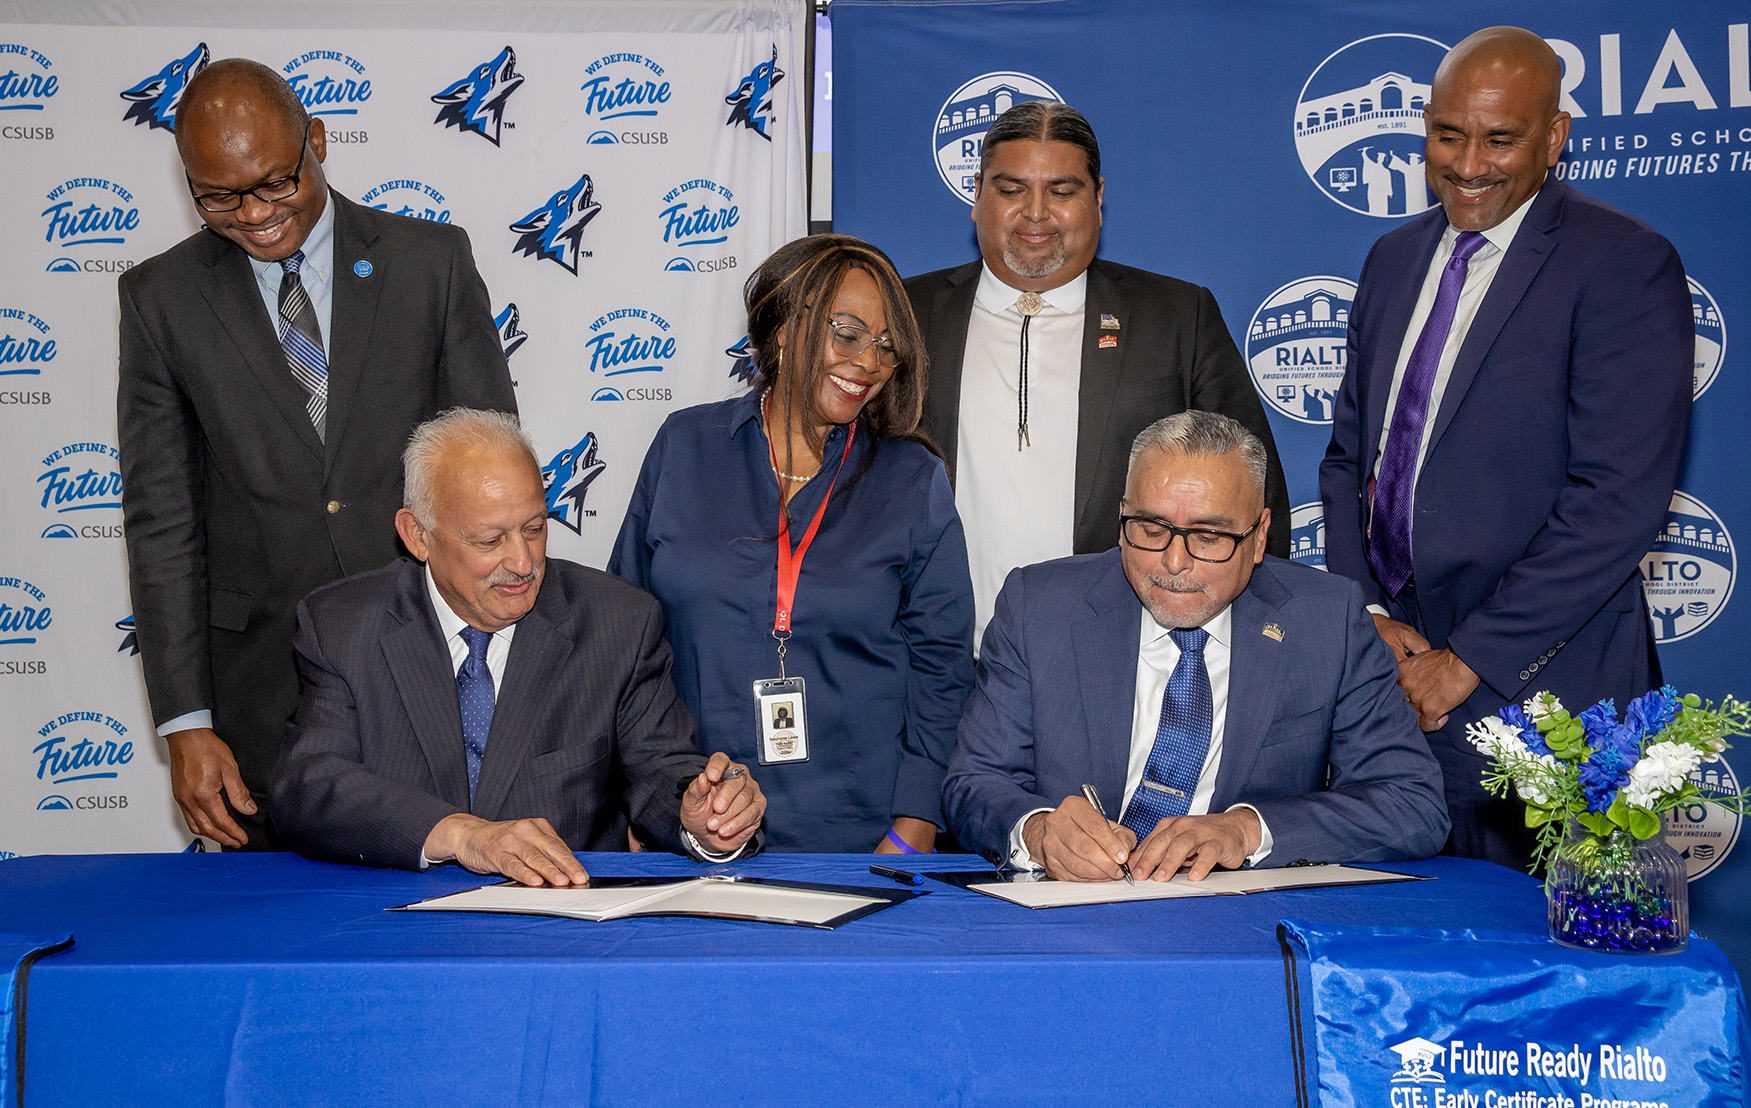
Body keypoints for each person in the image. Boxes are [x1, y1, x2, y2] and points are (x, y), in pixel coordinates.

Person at [118, 58, 515, 851]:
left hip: (427, 671)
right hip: (257, 700)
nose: (254, 214)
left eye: (273, 183)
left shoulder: (429, 263)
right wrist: (186, 724)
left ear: (319, 143)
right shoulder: (159, 298)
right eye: (219, 197)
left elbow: (488, 476)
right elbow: (162, 518)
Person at [1319, 27, 1692, 869]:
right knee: (1401, 961)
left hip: (1553, 690)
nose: (1468, 163)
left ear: (1554, 137)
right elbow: (1350, 458)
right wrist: (1366, 617)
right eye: (1448, 135)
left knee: (1563, 968)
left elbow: (1617, 499)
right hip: (1392, 687)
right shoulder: (1389, 259)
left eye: (1500, 138)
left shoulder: (1622, 264)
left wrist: (1470, 660)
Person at [944, 412, 1447, 881]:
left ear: (1259, 536)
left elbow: (1413, 804)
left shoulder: (1326, 620)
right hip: (1063, 919)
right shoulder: (1039, 607)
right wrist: (1036, 830)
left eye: (1208, 535)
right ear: (1122, 518)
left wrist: (1248, 829)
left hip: (1239, 929)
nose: (1174, 561)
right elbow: (974, 783)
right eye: (1151, 528)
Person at [272, 410, 764, 883]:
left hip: (561, 930)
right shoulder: (343, 624)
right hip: (392, 926)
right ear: (418, 536)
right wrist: (459, 835)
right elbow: (311, 785)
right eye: (490, 541)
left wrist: (701, 816)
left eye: (534, 529)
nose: (524, 562)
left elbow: (662, 768)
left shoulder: (618, 622)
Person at [612, 235, 976, 854]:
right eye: (849, 332)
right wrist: (649, 804)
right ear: (782, 325)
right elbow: (626, 643)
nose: (868, 362)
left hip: (862, 843)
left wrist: (913, 827)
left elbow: (944, 669)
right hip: (698, 825)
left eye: (887, 347)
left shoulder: (913, 480)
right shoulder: (684, 446)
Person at [905, 100, 1290, 643]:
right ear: (977, 195)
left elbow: (1256, 493)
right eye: (1011, 189)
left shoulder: (1177, 316)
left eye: (1062, 191)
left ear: (1099, 196)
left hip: (1122, 664)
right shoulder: (904, 312)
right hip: (937, 664)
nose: (1035, 212)